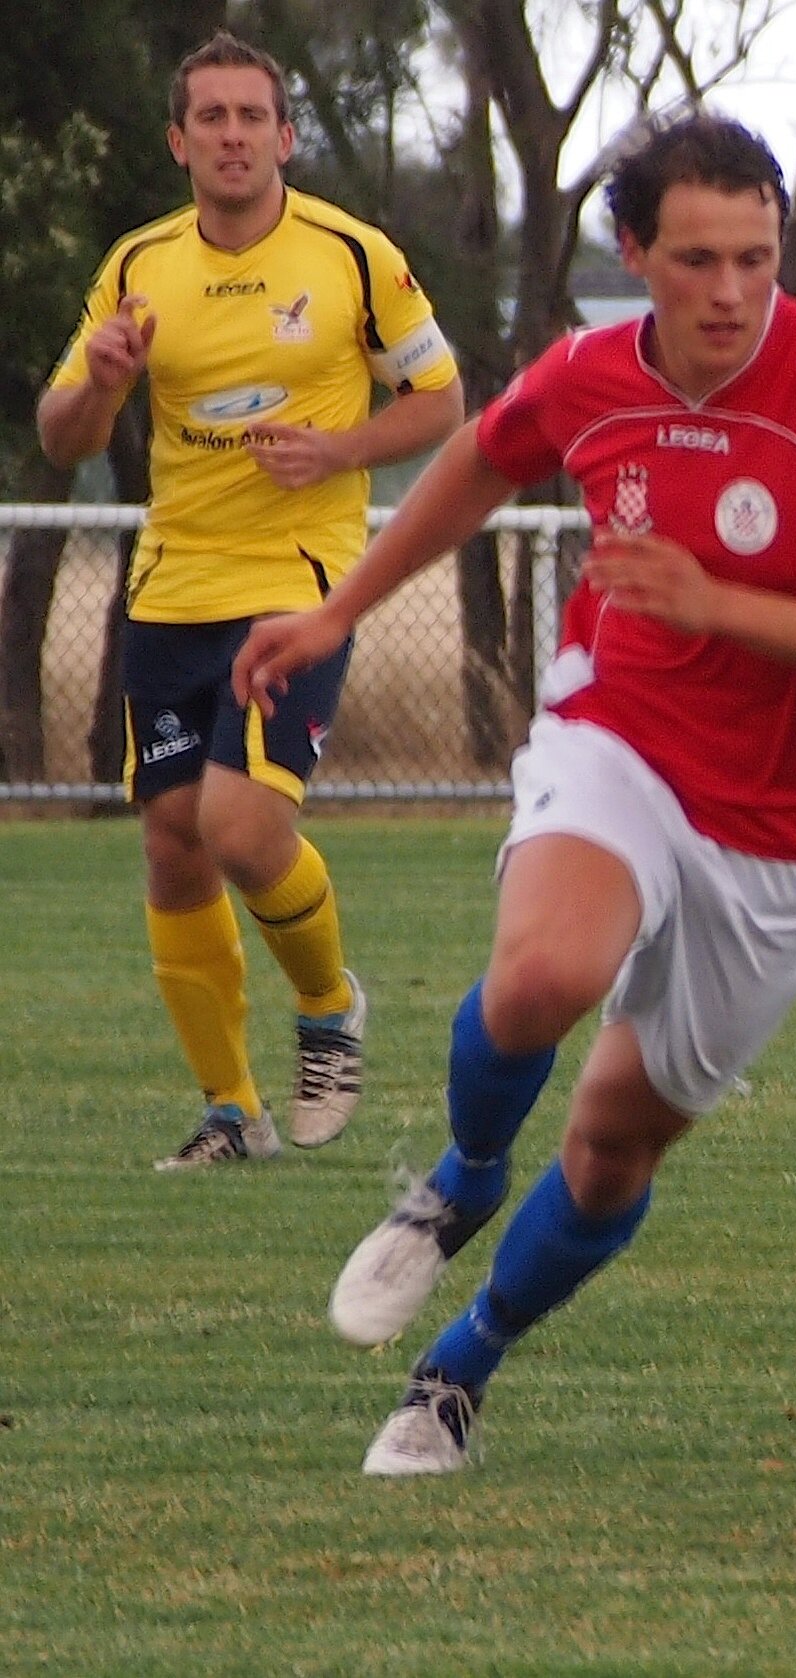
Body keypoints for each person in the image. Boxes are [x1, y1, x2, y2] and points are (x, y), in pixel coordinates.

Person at [232, 112, 796, 1475]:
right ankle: (460, 1174)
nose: (734, 291)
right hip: (618, 734)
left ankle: (461, 1365)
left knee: (618, 1142)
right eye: (697, 259)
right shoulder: (588, 373)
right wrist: (340, 615)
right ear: (633, 253)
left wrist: (717, 602)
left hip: (790, 836)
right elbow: (478, 463)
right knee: (540, 977)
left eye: (758, 256)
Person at [37, 30, 464, 1169]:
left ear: (285, 134)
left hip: (301, 580)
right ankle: (234, 1110)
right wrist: (105, 386)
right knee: (175, 845)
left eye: (251, 116)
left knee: (240, 825)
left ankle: (329, 1008)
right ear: (179, 141)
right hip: (175, 581)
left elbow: (441, 400)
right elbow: (58, 428)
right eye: (210, 118)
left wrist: (338, 451)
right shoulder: (138, 267)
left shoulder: (352, 255)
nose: (233, 135)